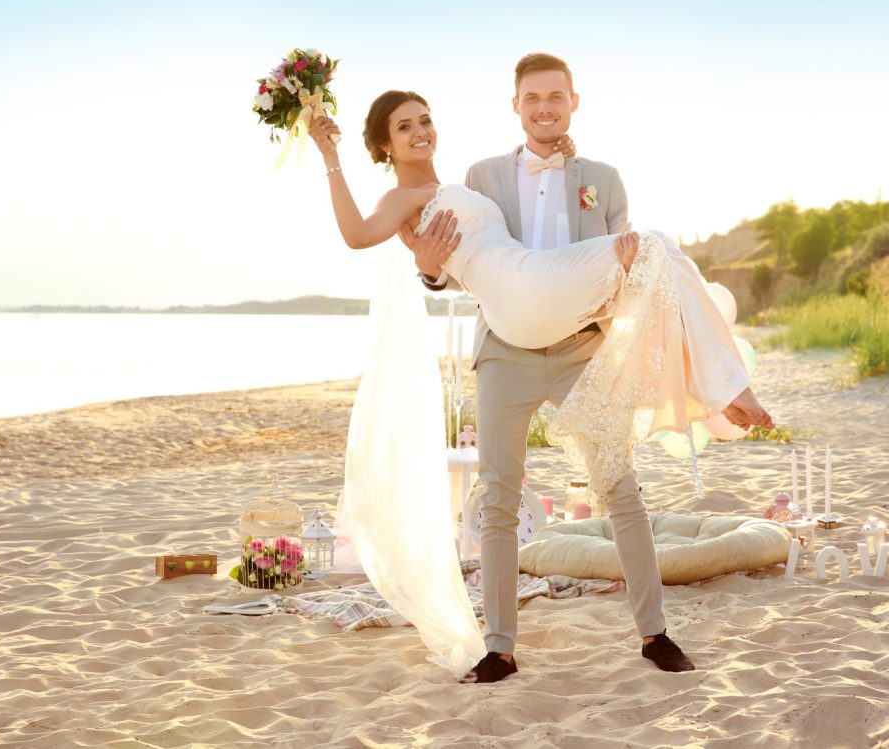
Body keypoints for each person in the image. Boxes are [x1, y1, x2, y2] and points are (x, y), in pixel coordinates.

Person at [311, 55, 773, 684]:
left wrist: (617, 248)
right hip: (510, 337)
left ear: (572, 102)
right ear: (517, 105)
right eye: (405, 126)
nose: (420, 131)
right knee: (498, 497)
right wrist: (415, 252)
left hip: (578, 340)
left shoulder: (598, 180)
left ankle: (655, 634)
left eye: (425, 120)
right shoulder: (480, 177)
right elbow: (425, 264)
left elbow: (593, 268)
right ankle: (498, 648)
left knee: (621, 488)